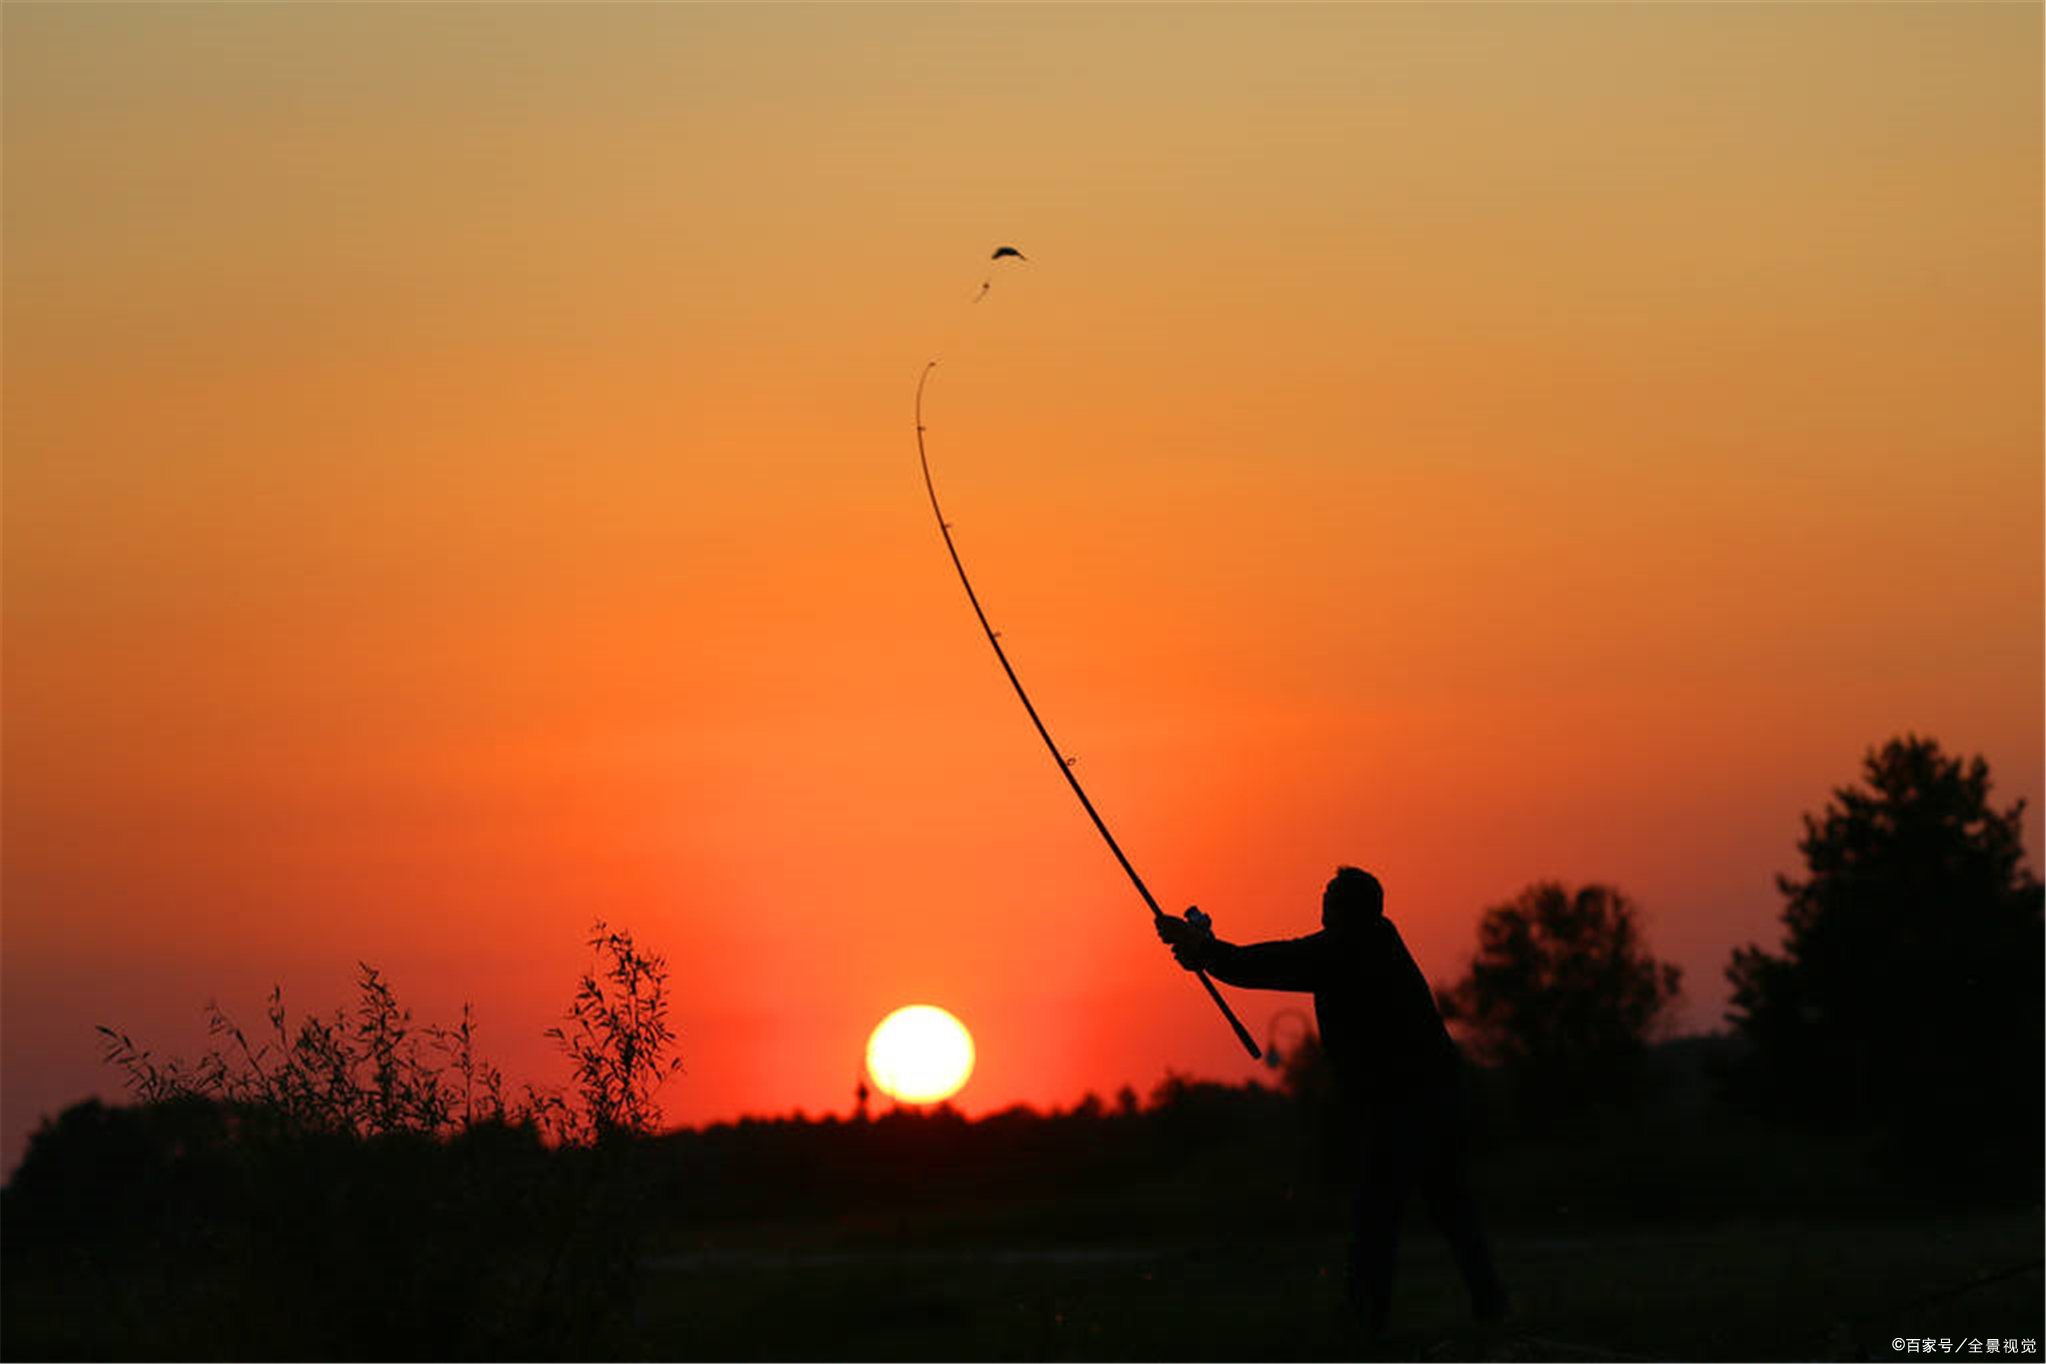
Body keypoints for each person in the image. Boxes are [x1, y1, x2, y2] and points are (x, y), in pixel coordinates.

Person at [1157, 865, 1508, 1336]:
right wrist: (1207, 952)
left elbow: (1271, 964)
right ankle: (1489, 1309)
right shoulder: (1370, 942)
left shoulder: (1350, 948)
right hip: (1433, 1099)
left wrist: (1205, 951)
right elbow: (1275, 961)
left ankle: (1368, 1323)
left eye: (1328, 899)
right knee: (1449, 1208)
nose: (1321, 907)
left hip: (1406, 1105)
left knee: (1376, 1217)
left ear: (1343, 909)